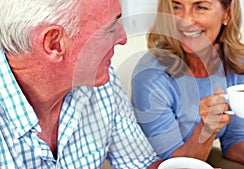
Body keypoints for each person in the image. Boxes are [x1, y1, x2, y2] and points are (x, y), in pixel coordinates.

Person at [0, 0, 162, 168]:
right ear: (54, 44)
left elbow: (140, 163)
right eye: (111, 28)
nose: (123, 38)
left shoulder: (99, 81)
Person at [130, 0, 244, 169]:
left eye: (200, 7)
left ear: (227, 14)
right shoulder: (151, 77)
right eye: (176, 7)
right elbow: (177, 165)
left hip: (202, 157)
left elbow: (234, 139)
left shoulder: (233, 64)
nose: (186, 20)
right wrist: (207, 128)